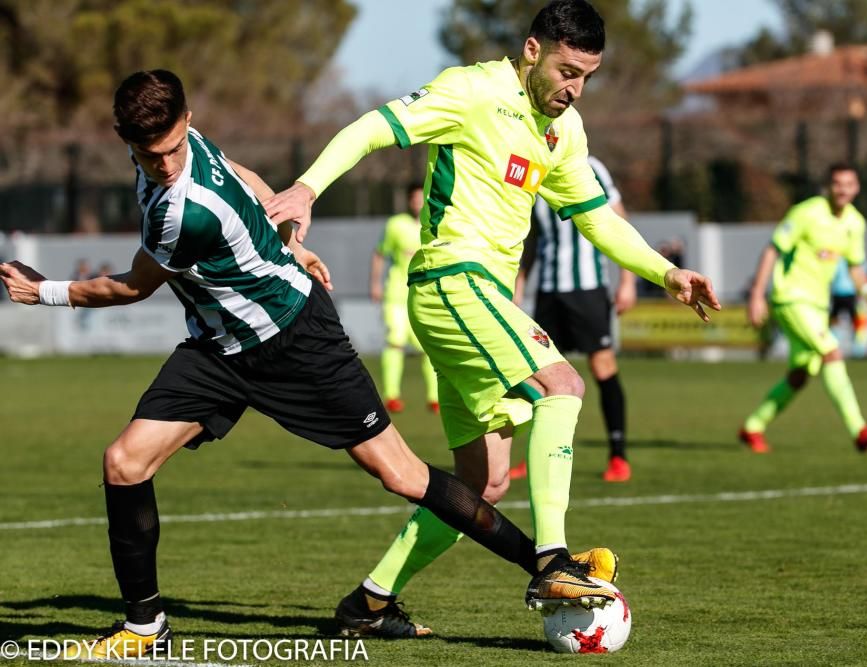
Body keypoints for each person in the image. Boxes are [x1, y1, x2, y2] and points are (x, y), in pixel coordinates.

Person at [0, 70, 592, 658]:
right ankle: (145, 628)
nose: (165, 165)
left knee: (402, 475)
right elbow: (248, 179)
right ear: (125, 140)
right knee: (124, 462)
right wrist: (288, 235)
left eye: (173, 148)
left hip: (297, 338)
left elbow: (132, 287)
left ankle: (544, 563)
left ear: (186, 121)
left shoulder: (181, 212)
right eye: (149, 155)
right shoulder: (181, 148)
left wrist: (43, 291)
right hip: (220, 348)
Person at [265, 0, 719, 637]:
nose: (574, 87)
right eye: (566, 70)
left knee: (482, 484)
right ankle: (552, 559)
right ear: (532, 50)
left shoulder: (565, 131)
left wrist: (662, 272)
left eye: (587, 75)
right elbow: (372, 126)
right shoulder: (473, 91)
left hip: (479, 300)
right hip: (452, 280)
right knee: (564, 385)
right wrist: (308, 187)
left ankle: (366, 605)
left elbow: (594, 217)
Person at [741, 163, 867, 454]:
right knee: (831, 352)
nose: (843, 189)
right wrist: (757, 294)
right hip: (791, 298)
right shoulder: (806, 212)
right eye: (837, 183)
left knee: (800, 374)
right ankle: (859, 431)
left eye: (849, 183)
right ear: (828, 186)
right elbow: (773, 249)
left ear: (856, 188)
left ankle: (752, 427)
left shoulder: (854, 223)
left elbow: (855, 265)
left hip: (818, 305)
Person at [512, 155, 636, 482]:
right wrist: (519, 285)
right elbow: (532, 238)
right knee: (539, 374)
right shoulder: (532, 166)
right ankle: (537, 454)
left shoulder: (592, 166)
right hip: (549, 292)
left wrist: (628, 281)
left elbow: (618, 223)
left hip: (588, 290)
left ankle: (618, 456)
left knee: (602, 366)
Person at [370, 182, 438, 413]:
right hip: (396, 294)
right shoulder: (395, 224)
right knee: (395, 342)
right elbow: (380, 254)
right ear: (409, 200)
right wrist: (375, 284)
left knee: (428, 347)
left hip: (425, 295)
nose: (418, 202)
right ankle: (391, 396)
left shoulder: (436, 223)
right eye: (414, 198)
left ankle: (434, 397)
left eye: (422, 198)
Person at [829, 257, 867, 358]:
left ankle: (856, 349)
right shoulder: (856, 260)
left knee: (855, 321)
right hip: (845, 294)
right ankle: (854, 349)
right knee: (853, 321)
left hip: (845, 294)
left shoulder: (838, 260)